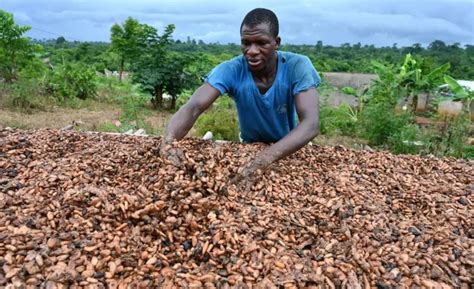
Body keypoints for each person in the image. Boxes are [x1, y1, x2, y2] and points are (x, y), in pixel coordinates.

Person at [160, 8, 321, 189]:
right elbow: (194, 106)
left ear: (276, 42)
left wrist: (262, 160)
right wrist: (168, 143)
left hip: (290, 149)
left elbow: (310, 124)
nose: (252, 51)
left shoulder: (297, 66)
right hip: (248, 148)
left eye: (261, 43)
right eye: (246, 43)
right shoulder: (232, 69)